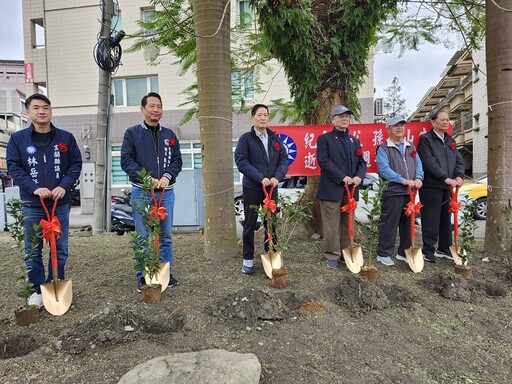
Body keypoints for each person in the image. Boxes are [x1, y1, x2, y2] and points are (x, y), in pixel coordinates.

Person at [6, 93, 83, 309]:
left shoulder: (65, 138)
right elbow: (14, 167)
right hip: (33, 205)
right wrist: (34, 188)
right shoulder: (18, 139)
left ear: (51, 110)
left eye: (46, 107)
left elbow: (75, 164)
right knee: (33, 248)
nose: (42, 111)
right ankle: (35, 291)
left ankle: (54, 285)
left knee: (59, 248)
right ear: (28, 112)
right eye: (37, 108)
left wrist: (63, 186)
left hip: (60, 203)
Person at [121, 92, 183, 292]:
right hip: (142, 192)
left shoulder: (169, 135)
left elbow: (177, 161)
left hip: (166, 193)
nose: (156, 110)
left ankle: (166, 272)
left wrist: (167, 176)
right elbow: (126, 161)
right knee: (142, 236)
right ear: (142, 109)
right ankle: (142, 275)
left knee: (165, 235)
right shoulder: (132, 134)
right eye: (152, 106)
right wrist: (145, 177)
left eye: (159, 106)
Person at [234, 104, 289, 275]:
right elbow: (241, 161)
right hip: (252, 187)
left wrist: (275, 178)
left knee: (270, 223)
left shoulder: (275, 138)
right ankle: (248, 259)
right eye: (259, 115)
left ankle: (270, 254)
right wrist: (260, 178)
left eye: (265, 115)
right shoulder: (246, 139)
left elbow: (283, 160)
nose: (262, 118)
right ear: (253, 118)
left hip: (272, 188)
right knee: (250, 223)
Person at [316, 105, 367, 269]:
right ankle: (332, 255)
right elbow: (324, 161)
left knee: (348, 223)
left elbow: (362, 162)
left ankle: (347, 252)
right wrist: (342, 177)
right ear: (333, 120)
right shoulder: (325, 139)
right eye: (340, 116)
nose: (345, 119)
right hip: (332, 189)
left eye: (347, 116)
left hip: (351, 190)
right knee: (331, 224)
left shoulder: (354, 140)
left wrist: (359, 176)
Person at [375, 116, 424, 266]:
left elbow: (418, 164)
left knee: (407, 224)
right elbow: (384, 170)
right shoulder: (383, 148)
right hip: (393, 192)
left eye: (402, 125)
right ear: (388, 128)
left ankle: (404, 252)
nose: (400, 128)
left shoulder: (410, 146)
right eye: (396, 125)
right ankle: (383, 253)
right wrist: (403, 180)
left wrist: (419, 178)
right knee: (389, 223)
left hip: (410, 193)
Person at [417, 110, 464, 263]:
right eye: (442, 120)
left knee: (446, 219)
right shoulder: (425, 139)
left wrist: (459, 176)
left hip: (448, 188)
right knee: (430, 219)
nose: (445, 122)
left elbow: (459, 161)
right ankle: (428, 251)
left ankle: (444, 249)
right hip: (431, 186)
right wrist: (445, 178)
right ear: (433, 122)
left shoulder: (451, 140)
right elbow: (429, 163)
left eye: (447, 120)